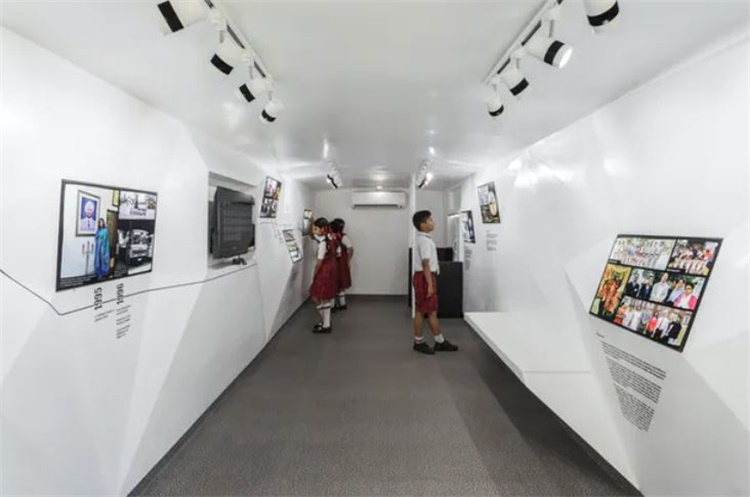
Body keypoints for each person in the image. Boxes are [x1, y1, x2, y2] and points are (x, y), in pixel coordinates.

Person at [412, 210, 458, 354]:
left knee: (425, 310)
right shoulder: (424, 241)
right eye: (430, 220)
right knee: (427, 311)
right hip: (425, 277)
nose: (433, 222)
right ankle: (425, 342)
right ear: (423, 225)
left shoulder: (423, 239)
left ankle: (436, 341)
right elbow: (425, 263)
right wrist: (430, 285)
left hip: (424, 276)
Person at [308, 218, 338, 334]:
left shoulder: (323, 243)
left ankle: (326, 324)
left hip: (325, 270)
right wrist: (310, 222)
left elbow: (319, 262)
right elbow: (312, 235)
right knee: (326, 296)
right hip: (332, 269)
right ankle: (326, 322)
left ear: (323, 229)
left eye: (316, 229)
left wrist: (315, 274)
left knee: (317, 296)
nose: (314, 231)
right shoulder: (330, 236)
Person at [330, 218, 354, 311]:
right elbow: (351, 249)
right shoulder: (336, 237)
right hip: (336, 263)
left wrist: (348, 261)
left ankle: (335, 305)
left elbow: (351, 249)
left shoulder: (341, 237)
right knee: (336, 283)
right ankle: (340, 304)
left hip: (339, 263)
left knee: (338, 283)